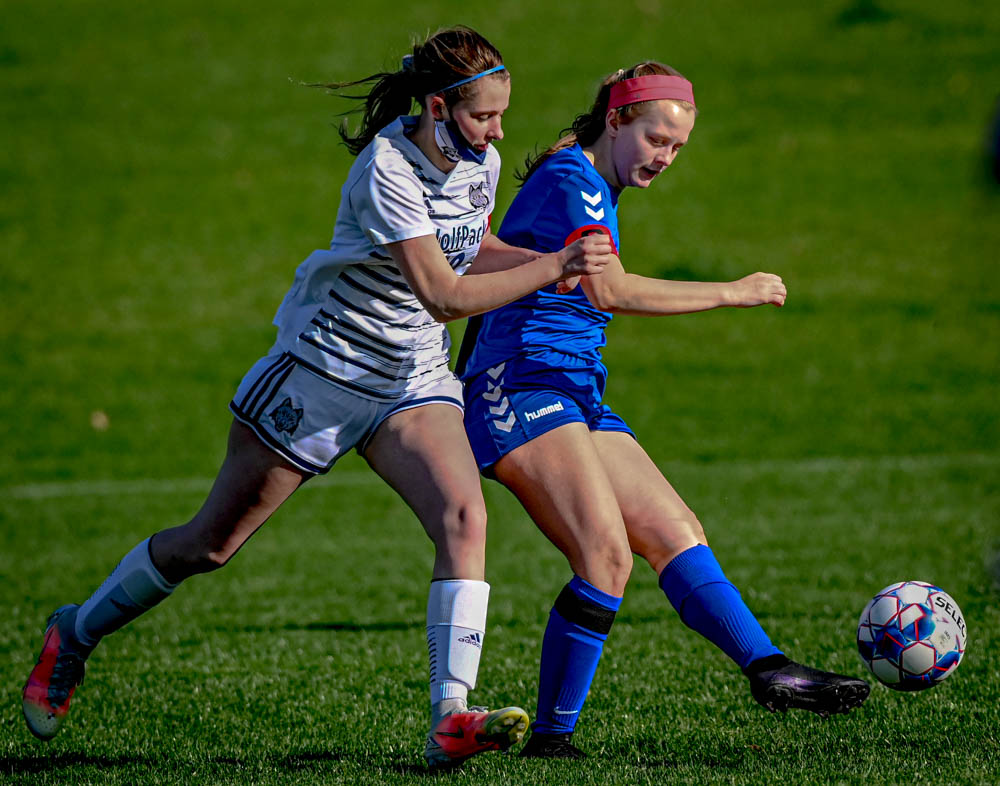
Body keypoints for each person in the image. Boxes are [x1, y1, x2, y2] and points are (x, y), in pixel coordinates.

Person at [21, 26, 613, 767]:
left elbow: (471, 246)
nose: (498, 132)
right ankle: (72, 635)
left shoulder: (480, 162)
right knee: (210, 544)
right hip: (323, 375)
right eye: (483, 116)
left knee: (465, 517)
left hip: (411, 382)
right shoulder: (385, 170)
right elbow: (444, 293)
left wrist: (547, 266)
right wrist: (556, 260)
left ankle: (450, 716)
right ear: (436, 107)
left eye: (500, 115)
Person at [457, 62, 871, 759]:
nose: (664, 158)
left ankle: (769, 670)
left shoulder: (586, 178)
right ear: (616, 120)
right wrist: (731, 292)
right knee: (605, 557)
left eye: (677, 149)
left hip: (573, 387)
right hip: (518, 385)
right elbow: (609, 290)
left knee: (674, 528)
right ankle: (553, 740)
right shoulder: (572, 179)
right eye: (656, 140)